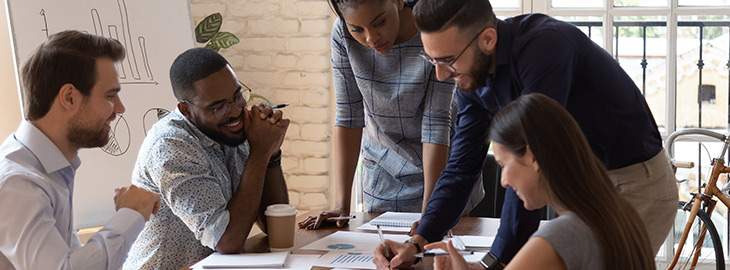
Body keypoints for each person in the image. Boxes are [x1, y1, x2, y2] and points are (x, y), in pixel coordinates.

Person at [375, 0, 677, 267]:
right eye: (432, 60)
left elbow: (536, 159)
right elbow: (461, 167)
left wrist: (495, 262)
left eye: (447, 60)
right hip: (582, 187)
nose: (441, 74)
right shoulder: (471, 75)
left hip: (634, 183)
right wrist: (419, 240)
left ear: (488, 39)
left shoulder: (546, 47)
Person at [298, 0, 483, 230]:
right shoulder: (342, 34)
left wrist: (430, 215)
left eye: (380, 22)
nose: (371, 38)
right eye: (358, 29)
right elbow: (348, 117)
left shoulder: (434, 29)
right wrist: (341, 206)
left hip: (444, 178)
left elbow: (435, 124)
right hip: (383, 180)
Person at [426, 93, 656, 270]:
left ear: (532, 155)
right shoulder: (621, 214)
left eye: (504, 164)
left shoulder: (561, 235)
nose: (504, 181)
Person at [0, 30, 160, 270]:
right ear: (69, 98)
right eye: (110, 96)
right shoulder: (19, 184)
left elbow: (71, 260)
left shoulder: (49, 169)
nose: (120, 108)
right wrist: (131, 213)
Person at [123, 48, 290, 270]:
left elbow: (273, 223)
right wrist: (260, 152)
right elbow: (227, 241)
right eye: (218, 106)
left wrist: (271, 152)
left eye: (237, 96)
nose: (235, 111)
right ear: (186, 110)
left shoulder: (233, 131)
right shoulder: (171, 147)